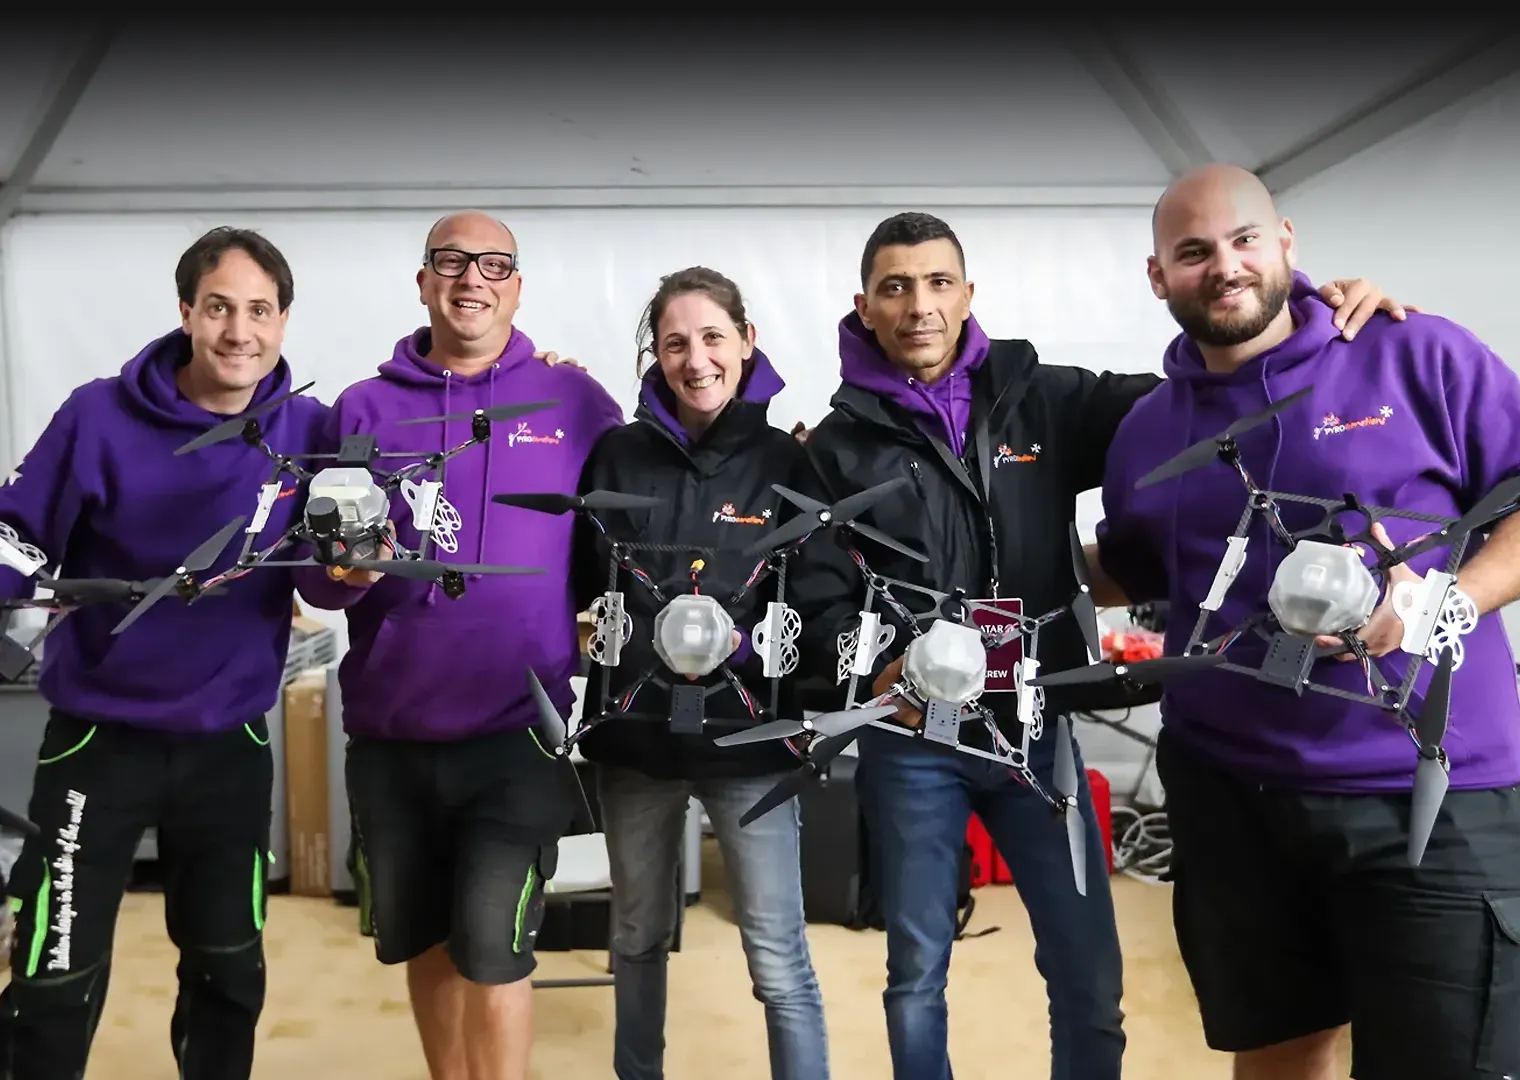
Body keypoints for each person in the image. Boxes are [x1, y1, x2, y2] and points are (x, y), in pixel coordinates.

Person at [795, 209, 1409, 1080]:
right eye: (895, 287)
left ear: (969, 295)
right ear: (865, 305)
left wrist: (1307, 308)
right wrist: (877, 668)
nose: (919, 305)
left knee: (1087, 971)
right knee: (915, 973)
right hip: (912, 740)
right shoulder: (837, 445)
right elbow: (820, 606)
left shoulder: (1041, 395)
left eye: (937, 283)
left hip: (1037, 727)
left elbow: (1202, 389)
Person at [1093, 162, 1520, 1080]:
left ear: (1285, 240)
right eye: (1194, 251)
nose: (1225, 266)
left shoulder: (1416, 354)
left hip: (1429, 789)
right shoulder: (1148, 431)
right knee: (1277, 1059)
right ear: (1158, 275)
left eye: (1244, 239)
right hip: (1232, 796)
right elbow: (1125, 575)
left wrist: (1449, 596)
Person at [296, 209, 624, 1080]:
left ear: (517, 286)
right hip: (392, 729)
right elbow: (318, 578)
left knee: (495, 943)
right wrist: (344, 577)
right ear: (422, 279)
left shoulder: (576, 401)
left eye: (493, 264)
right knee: (423, 940)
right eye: (450, 261)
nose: (470, 278)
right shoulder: (360, 410)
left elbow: (624, 532)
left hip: (519, 728)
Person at [0, 227, 329, 1080]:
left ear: (284, 322)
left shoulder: (309, 430)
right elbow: (18, 532)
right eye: (219, 307)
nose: (238, 332)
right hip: (95, 741)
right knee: (52, 969)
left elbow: (342, 574)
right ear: (186, 311)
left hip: (229, 744)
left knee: (228, 972)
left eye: (260, 311)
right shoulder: (96, 415)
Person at [569, 266, 848, 1080]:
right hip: (636, 739)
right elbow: (584, 581)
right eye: (675, 342)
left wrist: (771, 661)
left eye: (713, 337)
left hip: (753, 746)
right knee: (635, 937)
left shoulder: (791, 462)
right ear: (654, 354)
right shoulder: (616, 454)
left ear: (747, 341)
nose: (696, 359)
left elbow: (826, 595)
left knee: (777, 954)